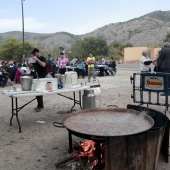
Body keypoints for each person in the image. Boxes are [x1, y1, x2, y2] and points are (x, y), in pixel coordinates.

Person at [30, 48, 47, 112]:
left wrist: (37, 59)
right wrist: (30, 62)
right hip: (36, 75)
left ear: (37, 53)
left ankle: (40, 105)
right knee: (37, 90)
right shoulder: (34, 60)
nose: (33, 55)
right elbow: (31, 67)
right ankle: (39, 105)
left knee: (39, 90)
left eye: (34, 53)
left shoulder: (42, 58)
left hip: (42, 76)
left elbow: (43, 65)